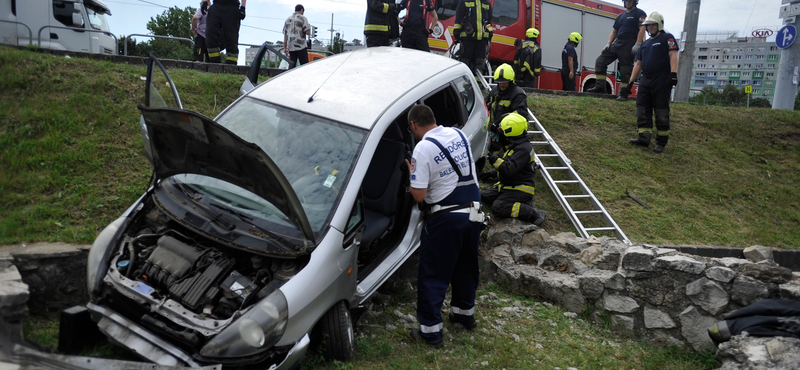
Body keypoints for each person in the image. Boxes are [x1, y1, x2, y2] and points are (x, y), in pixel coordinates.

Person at [405, 104, 483, 348]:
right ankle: (463, 315)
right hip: (473, 213)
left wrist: (411, 175)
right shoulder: (458, 134)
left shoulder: (423, 148)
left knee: (434, 274)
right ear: (434, 119)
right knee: (466, 267)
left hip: (446, 219)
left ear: (413, 125)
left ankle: (431, 333)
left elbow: (419, 195)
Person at [625, 12, 678, 153]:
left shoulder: (667, 37)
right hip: (645, 80)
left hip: (662, 80)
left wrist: (673, 74)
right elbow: (638, 64)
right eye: (648, 25)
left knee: (661, 112)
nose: (650, 28)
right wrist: (630, 83)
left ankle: (661, 142)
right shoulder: (645, 44)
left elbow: (673, 55)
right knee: (642, 109)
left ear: (659, 24)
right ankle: (644, 139)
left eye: (653, 24)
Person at [480, 112, 547, 226]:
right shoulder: (515, 146)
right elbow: (511, 167)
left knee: (498, 207)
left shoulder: (524, 150)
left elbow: (508, 169)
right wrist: (489, 174)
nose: (500, 135)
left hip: (520, 189)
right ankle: (523, 203)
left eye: (502, 132)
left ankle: (532, 213)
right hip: (508, 185)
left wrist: (492, 158)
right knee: (484, 196)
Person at [585, 0, 646, 100]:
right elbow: (614, 31)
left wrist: (638, 44)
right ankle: (600, 87)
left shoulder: (640, 14)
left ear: (634, 2)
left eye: (630, 1)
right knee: (600, 61)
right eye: (626, 1)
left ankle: (623, 94)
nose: (627, 3)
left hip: (629, 43)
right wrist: (608, 43)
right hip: (618, 43)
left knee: (625, 69)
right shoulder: (620, 16)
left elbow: (642, 29)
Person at [485, 63, 528, 151]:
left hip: (510, 133)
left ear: (511, 81)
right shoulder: (494, 91)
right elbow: (485, 104)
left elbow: (522, 113)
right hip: (494, 130)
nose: (501, 85)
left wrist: (499, 121)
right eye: (499, 82)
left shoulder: (518, 94)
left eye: (504, 82)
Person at [453, 0, 493, 76]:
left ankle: (477, 84)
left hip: (481, 41)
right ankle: (464, 82)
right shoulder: (464, 2)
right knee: (465, 63)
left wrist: (489, 34)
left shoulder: (486, 3)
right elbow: (458, 18)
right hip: (467, 40)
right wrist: (457, 34)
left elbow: (489, 21)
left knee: (480, 64)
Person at [206, 0, 246, 64]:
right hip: (216, 5)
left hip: (232, 7)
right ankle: (214, 61)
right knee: (211, 33)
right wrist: (205, 2)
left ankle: (231, 64)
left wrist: (243, 7)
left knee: (231, 37)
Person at [283, 4, 311, 69]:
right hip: (301, 46)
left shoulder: (288, 19)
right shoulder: (303, 18)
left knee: (292, 65)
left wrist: (285, 47)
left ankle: (290, 78)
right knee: (304, 65)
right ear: (301, 10)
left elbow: (285, 35)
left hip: (291, 46)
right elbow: (308, 32)